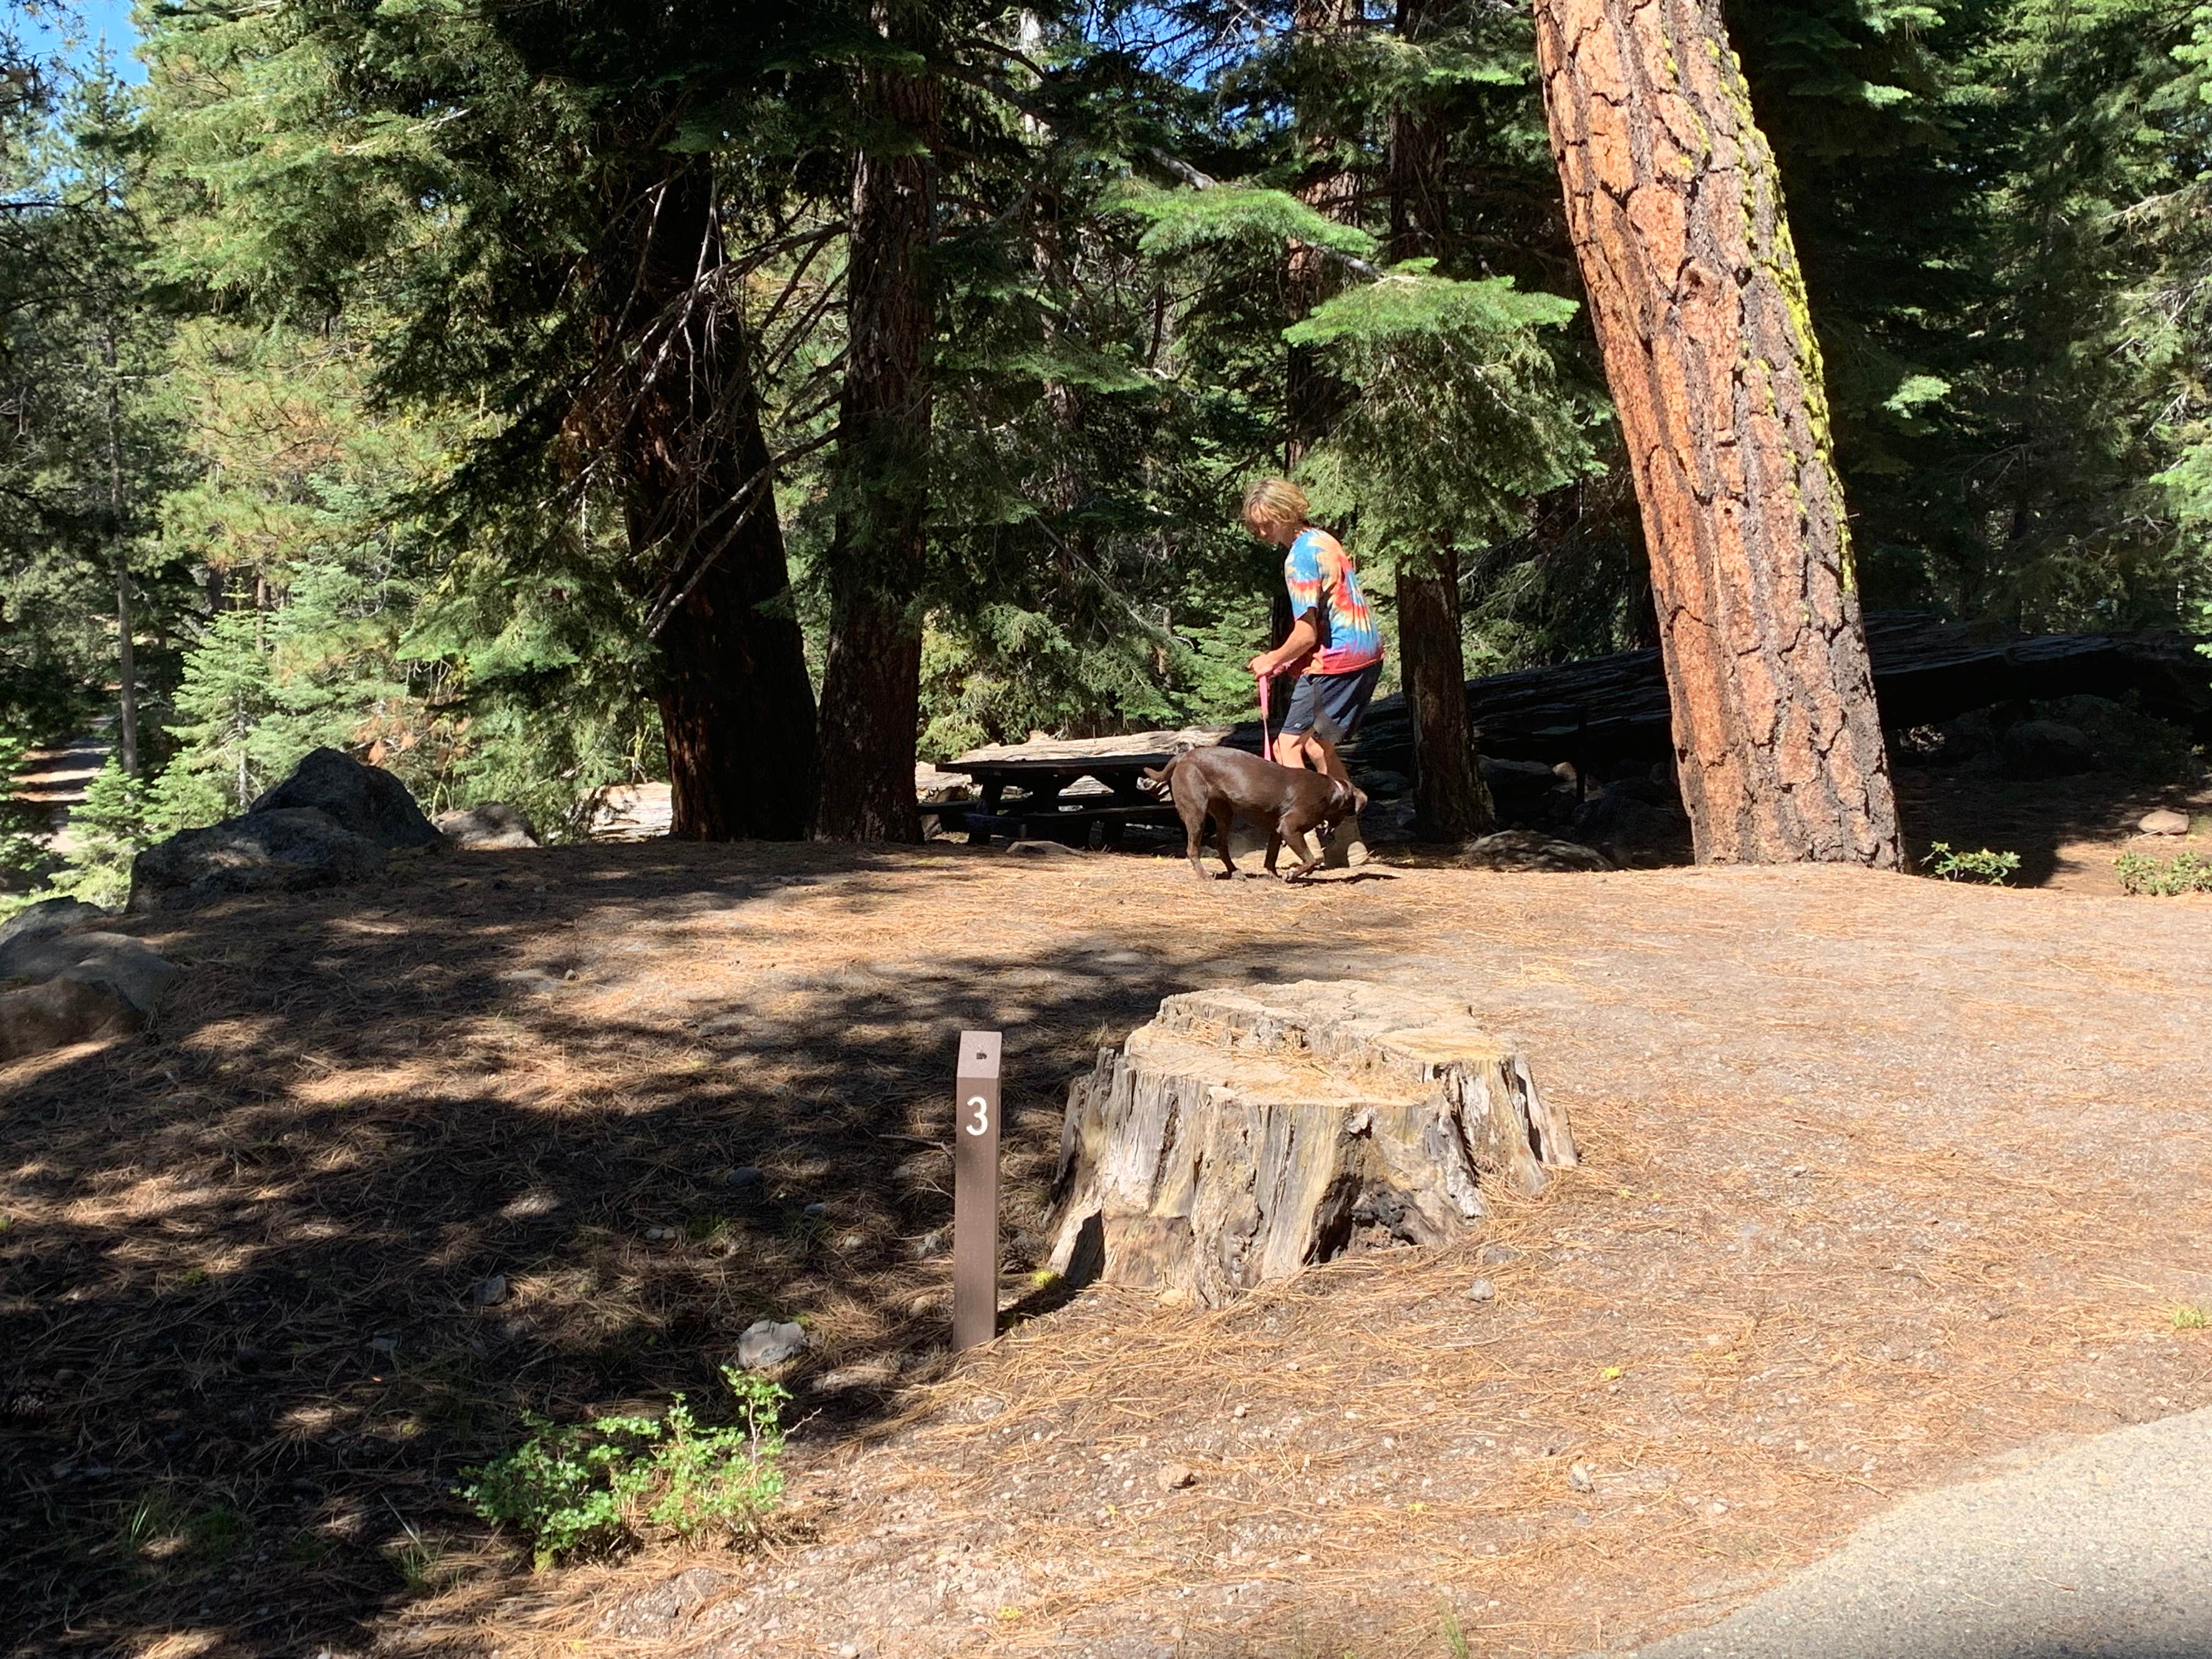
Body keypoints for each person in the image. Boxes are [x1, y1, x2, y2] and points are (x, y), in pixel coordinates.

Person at [1241, 477, 1381, 867]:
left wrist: (1273, 659)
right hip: (1365, 653)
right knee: (1320, 747)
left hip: (1337, 660)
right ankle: (1348, 841)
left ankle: (1302, 835)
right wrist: (1291, 659)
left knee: (1290, 745)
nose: (1263, 531)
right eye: (1257, 524)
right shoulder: (1323, 539)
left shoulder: (1300, 558)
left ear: (1286, 513)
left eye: (1267, 522)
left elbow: (1305, 633)